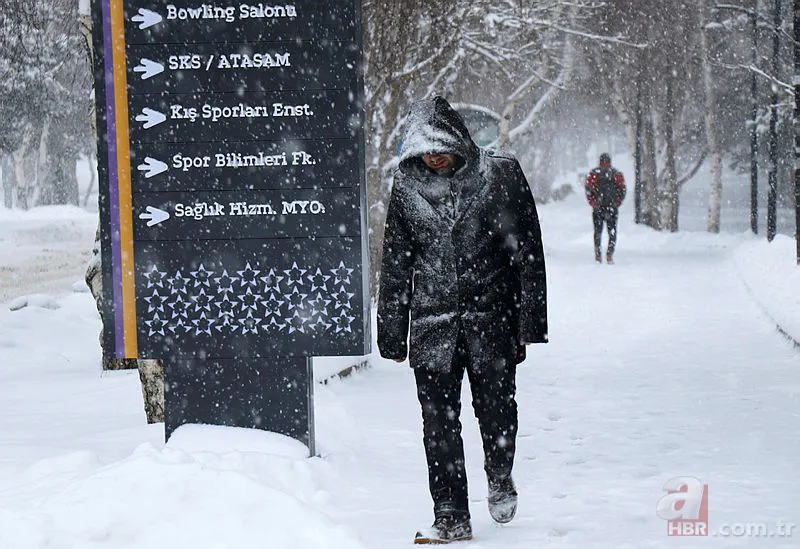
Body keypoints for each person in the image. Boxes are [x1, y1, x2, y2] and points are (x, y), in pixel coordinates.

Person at [377, 96, 548, 544]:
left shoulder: (501, 175)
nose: (433, 156)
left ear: (458, 140)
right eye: (425, 149)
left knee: (496, 411)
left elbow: (527, 254)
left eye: (441, 147)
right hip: (433, 326)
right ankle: (451, 513)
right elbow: (396, 261)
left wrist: (530, 324)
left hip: (493, 320)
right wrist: (392, 331)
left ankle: (498, 473)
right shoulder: (408, 186)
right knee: (438, 423)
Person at [584, 153, 626, 264]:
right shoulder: (616, 174)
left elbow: (588, 190)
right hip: (612, 208)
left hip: (598, 208)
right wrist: (617, 203)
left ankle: (598, 255)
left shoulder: (594, 174)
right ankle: (609, 255)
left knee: (598, 232)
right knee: (612, 232)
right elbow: (622, 189)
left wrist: (594, 203)